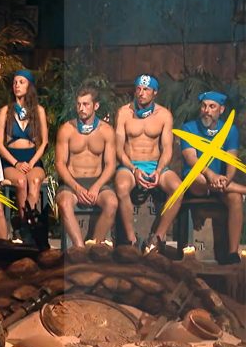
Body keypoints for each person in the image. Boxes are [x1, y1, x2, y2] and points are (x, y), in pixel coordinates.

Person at [114, 74, 182, 250]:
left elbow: (167, 149)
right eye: (138, 89)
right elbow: (118, 149)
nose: (141, 93)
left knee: (178, 188)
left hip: (155, 166)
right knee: (121, 186)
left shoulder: (164, 115)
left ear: (155, 92)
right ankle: (132, 240)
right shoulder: (124, 113)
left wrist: (159, 171)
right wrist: (133, 169)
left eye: (146, 89)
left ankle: (157, 238)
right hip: (130, 166)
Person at [180, 91, 245, 264]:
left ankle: (232, 253)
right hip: (197, 182)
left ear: (221, 110)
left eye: (212, 106)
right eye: (204, 106)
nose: (206, 110)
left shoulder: (230, 130)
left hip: (221, 185)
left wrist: (226, 179)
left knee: (236, 198)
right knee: (198, 178)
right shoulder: (189, 128)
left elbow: (231, 161)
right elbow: (192, 160)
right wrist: (211, 175)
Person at [54, 87, 118, 247]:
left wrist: (97, 187)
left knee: (112, 203)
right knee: (64, 203)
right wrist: (77, 188)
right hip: (72, 182)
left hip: (98, 182)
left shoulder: (106, 131)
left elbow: (110, 165)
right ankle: (80, 248)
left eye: (86, 104)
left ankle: (94, 245)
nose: (81, 108)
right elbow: (60, 163)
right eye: (78, 104)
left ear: (96, 106)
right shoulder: (67, 129)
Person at [0, 69, 48, 226]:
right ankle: (26, 224)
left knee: (35, 181)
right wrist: (16, 163)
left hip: (32, 158)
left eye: (21, 82)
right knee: (20, 181)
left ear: (29, 86)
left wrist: (31, 163)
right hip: (11, 159)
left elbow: (44, 142)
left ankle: (26, 223)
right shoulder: (5, 111)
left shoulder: (39, 111)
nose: (17, 85)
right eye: (15, 83)